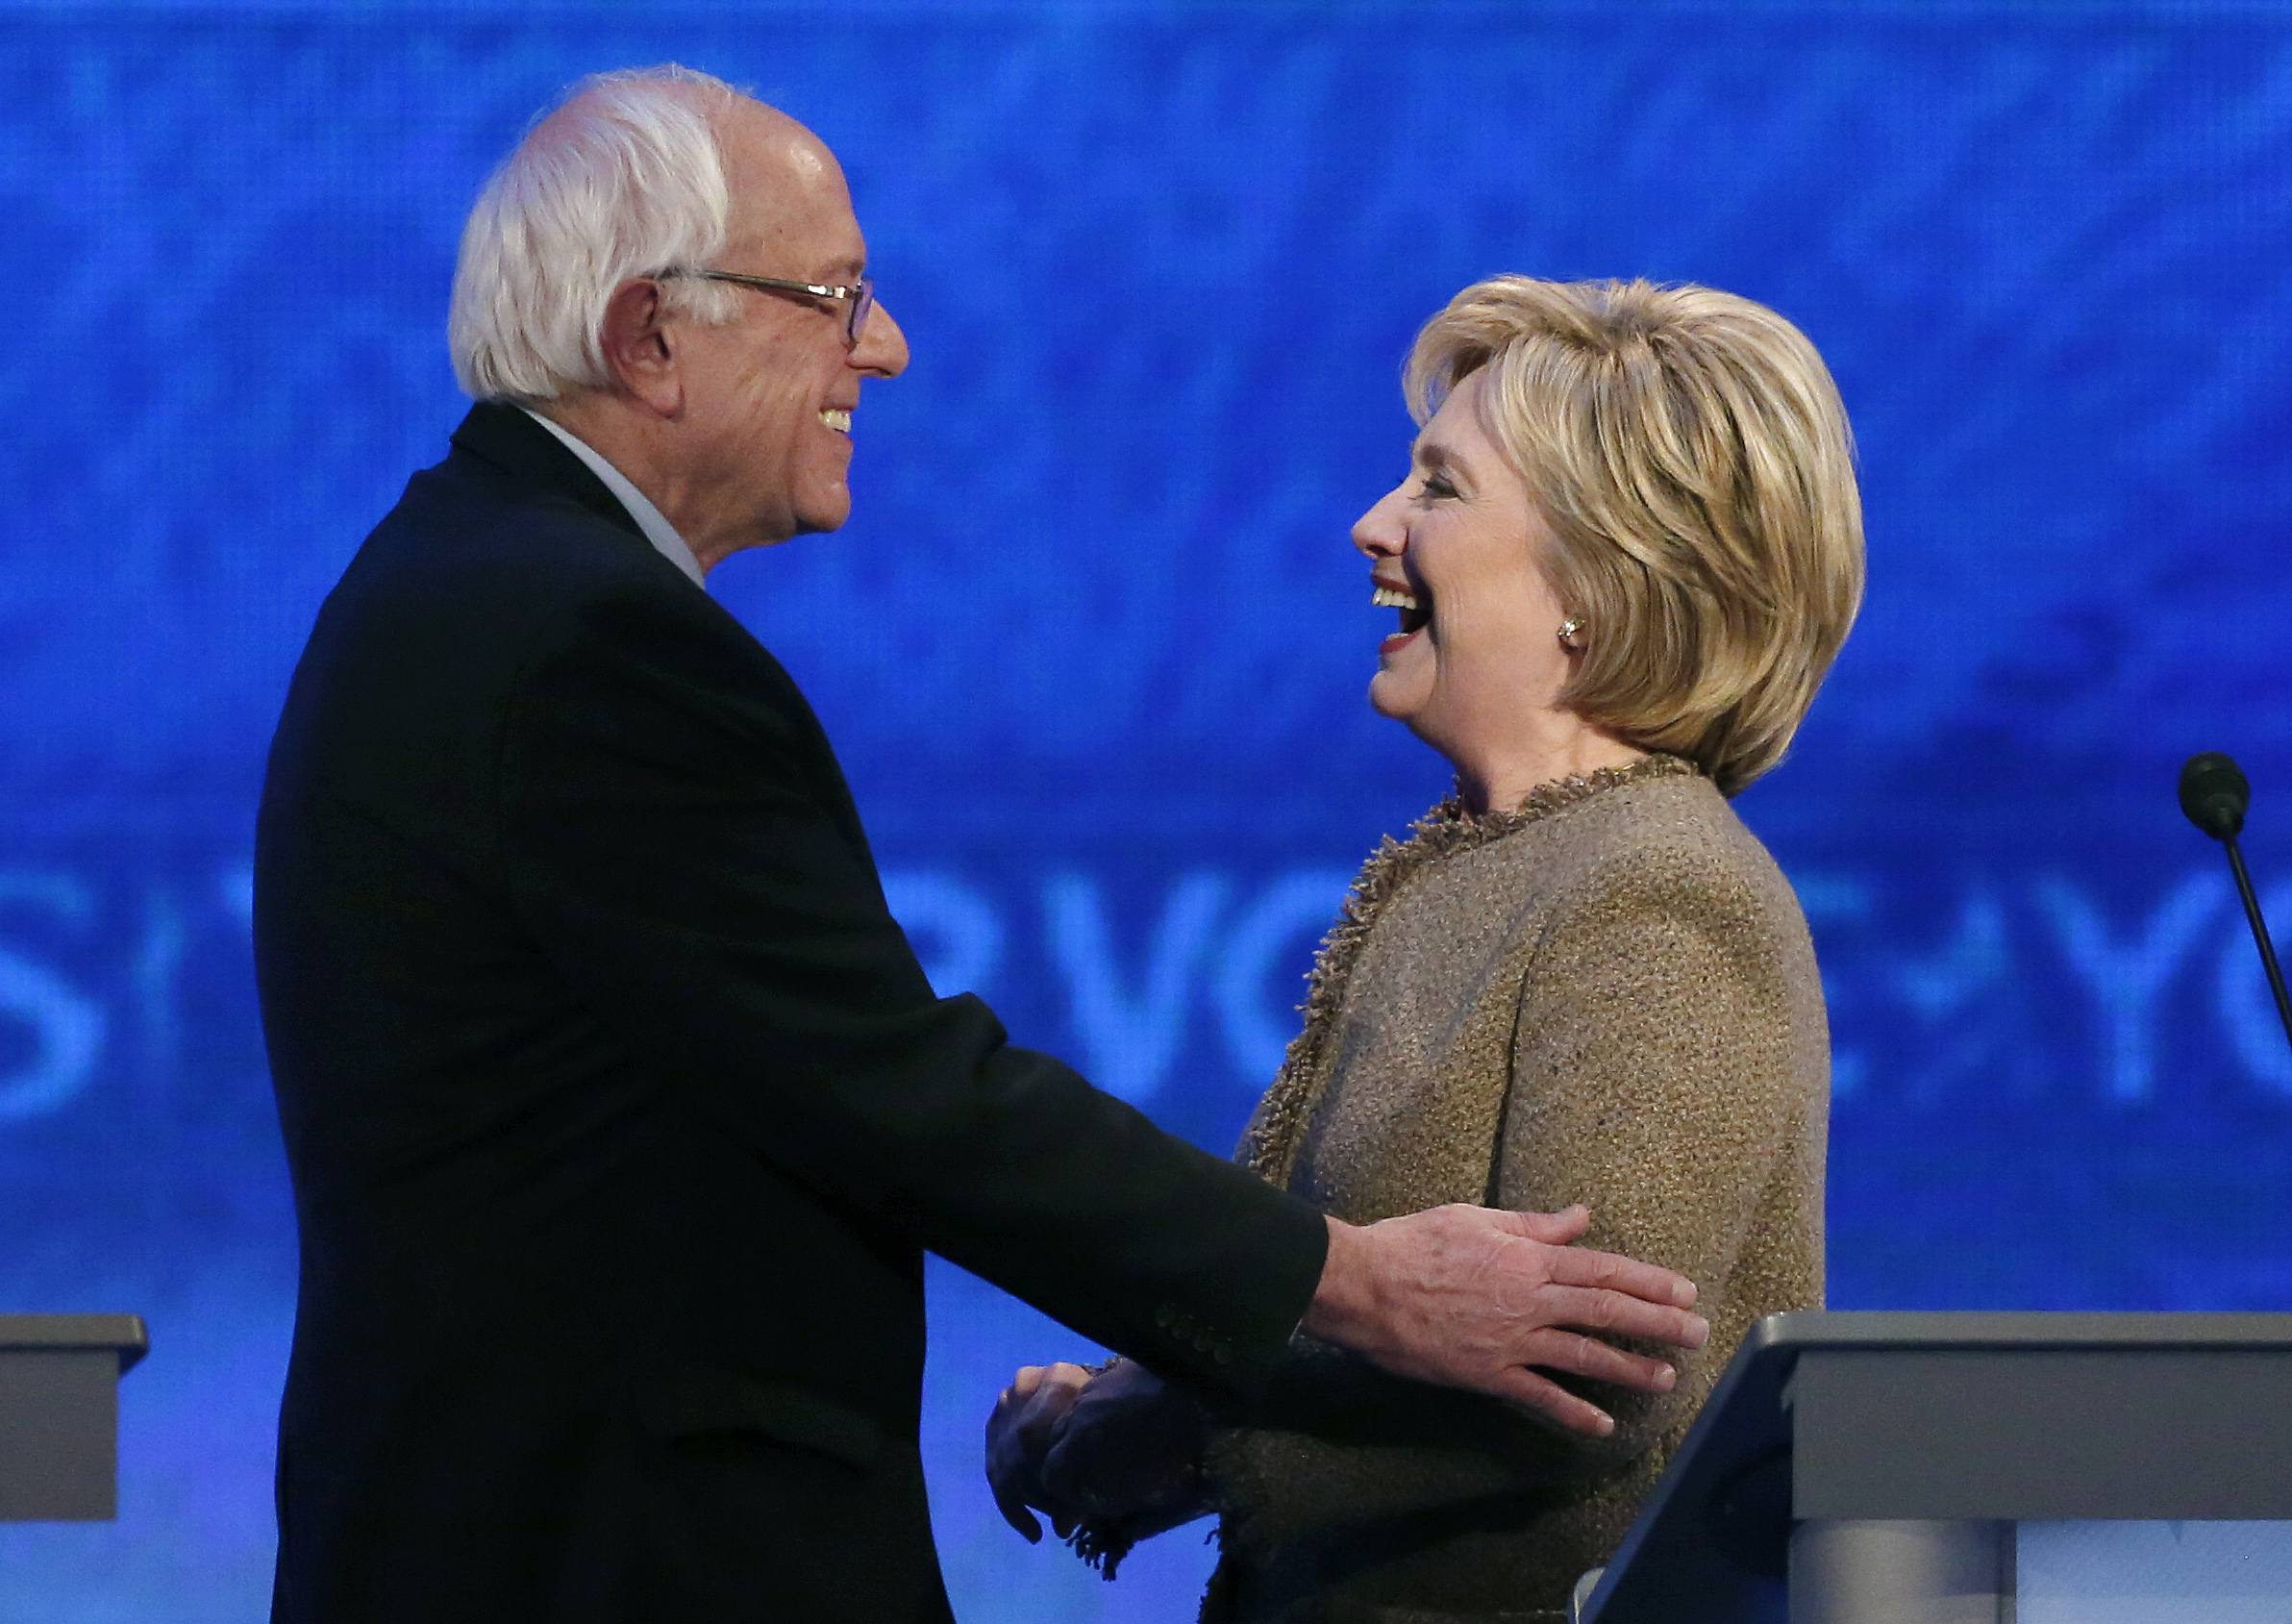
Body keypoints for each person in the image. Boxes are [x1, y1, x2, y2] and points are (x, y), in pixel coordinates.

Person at [252, 69, 1713, 1624]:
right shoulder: (585, 644)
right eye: (834, 297)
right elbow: (903, 1094)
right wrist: (1356, 1286)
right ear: (649, 338)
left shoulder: (466, 587)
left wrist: (1159, 1417)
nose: (883, 346)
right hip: (611, 1555)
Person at [987, 275, 1862, 1623]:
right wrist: (1140, 1395)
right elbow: (1364, 1314)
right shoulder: (1483, 869)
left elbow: (1589, 1381)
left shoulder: (1660, 891)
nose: (1373, 526)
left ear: (1597, 576)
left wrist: (1167, 1440)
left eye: (1438, 489)